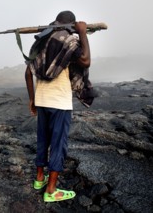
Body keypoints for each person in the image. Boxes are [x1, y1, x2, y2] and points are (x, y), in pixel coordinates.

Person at [25, 11, 91, 202]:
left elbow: (28, 74)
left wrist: (32, 99)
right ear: (71, 25)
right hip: (59, 103)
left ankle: (39, 179)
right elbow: (85, 60)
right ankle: (51, 190)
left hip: (42, 100)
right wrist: (83, 33)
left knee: (42, 140)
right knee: (58, 145)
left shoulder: (41, 40)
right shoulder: (67, 40)